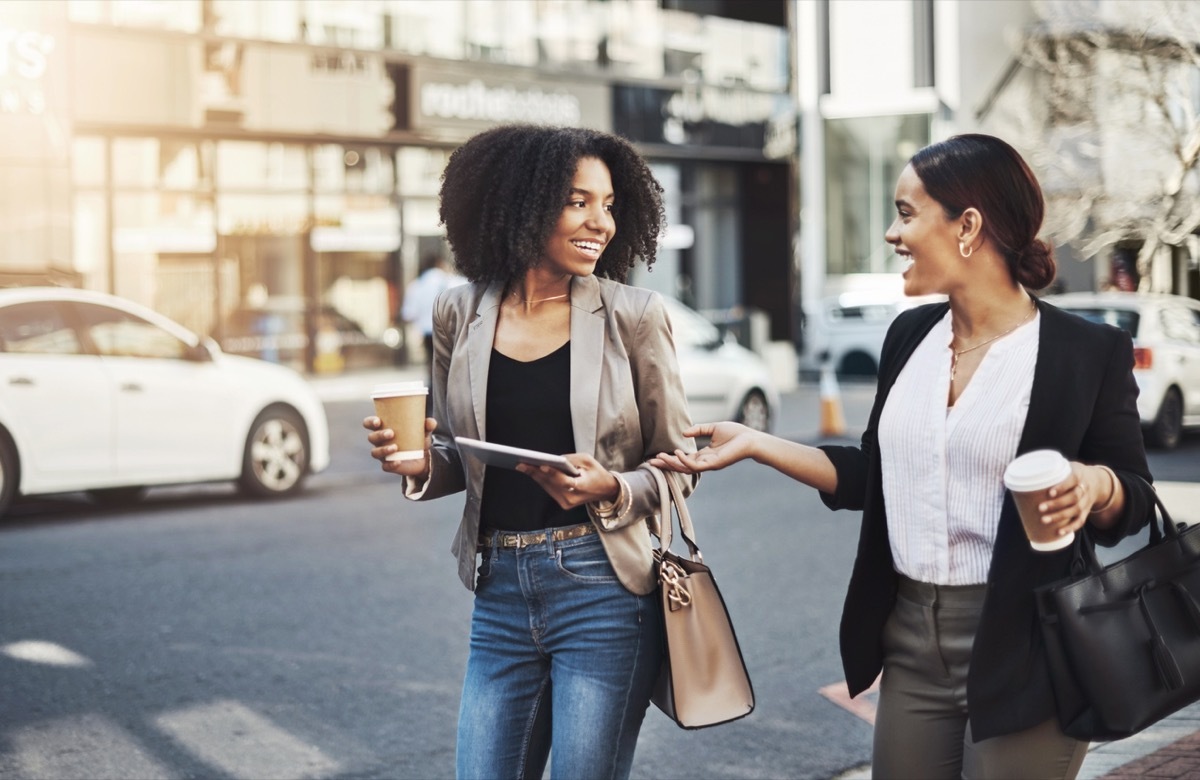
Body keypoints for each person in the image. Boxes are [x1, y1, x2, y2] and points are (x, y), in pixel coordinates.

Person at [652, 134, 1156, 779]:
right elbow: (874, 473)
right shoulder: (910, 336)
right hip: (912, 640)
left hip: (1032, 639)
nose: (893, 233)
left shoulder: (1084, 352)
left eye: (907, 213)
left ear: (968, 225)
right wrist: (757, 445)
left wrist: (1094, 485)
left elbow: (1136, 498)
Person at [364, 124, 697, 780]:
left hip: (602, 584)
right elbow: (462, 450)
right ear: (518, 202)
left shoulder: (633, 315)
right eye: (578, 201)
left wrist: (613, 488)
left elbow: (678, 463)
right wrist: (421, 463)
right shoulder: (460, 314)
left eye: (608, 204)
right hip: (500, 591)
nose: (599, 221)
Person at [401, 249, 466, 388]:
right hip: (451, 330)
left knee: (433, 366)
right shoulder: (450, 281)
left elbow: (408, 314)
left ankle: (435, 396)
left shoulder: (416, 286)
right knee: (454, 366)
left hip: (428, 333)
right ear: (440, 263)